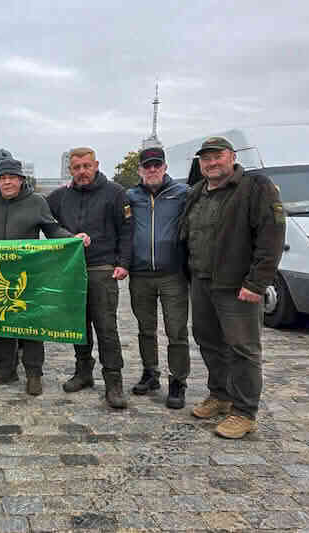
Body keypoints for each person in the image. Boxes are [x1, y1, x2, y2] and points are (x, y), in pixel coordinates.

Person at [180, 137, 285, 438]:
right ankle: (220, 395)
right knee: (208, 340)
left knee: (243, 348)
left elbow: (272, 237)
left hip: (237, 285)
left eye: (218, 156)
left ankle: (244, 412)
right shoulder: (197, 191)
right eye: (206, 159)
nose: (212, 163)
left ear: (232, 157)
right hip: (202, 280)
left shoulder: (255, 187)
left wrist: (257, 282)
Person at [0, 158, 87, 395]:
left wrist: (72, 238)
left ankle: (34, 373)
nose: (7, 182)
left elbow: (52, 229)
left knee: (31, 324)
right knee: (2, 321)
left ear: (21, 180)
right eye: (2, 178)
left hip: (28, 274)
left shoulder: (37, 202)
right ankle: (6, 369)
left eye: (12, 178)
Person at [46, 147, 133, 409]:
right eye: (77, 167)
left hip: (102, 269)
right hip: (71, 270)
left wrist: (123, 263)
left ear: (96, 165)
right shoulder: (59, 196)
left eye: (86, 166)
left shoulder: (115, 193)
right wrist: (65, 237)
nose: (82, 171)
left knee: (106, 328)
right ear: (70, 170)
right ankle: (83, 371)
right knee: (78, 325)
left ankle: (113, 381)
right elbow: (47, 223)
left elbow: (127, 230)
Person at [126, 147, 191, 409]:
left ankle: (178, 380)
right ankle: (150, 372)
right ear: (140, 170)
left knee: (176, 331)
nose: (152, 169)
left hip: (172, 274)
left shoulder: (183, 193)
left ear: (164, 167)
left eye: (157, 165)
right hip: (140, 274)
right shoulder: (130, 196)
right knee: (145, 328)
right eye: (147, 166)